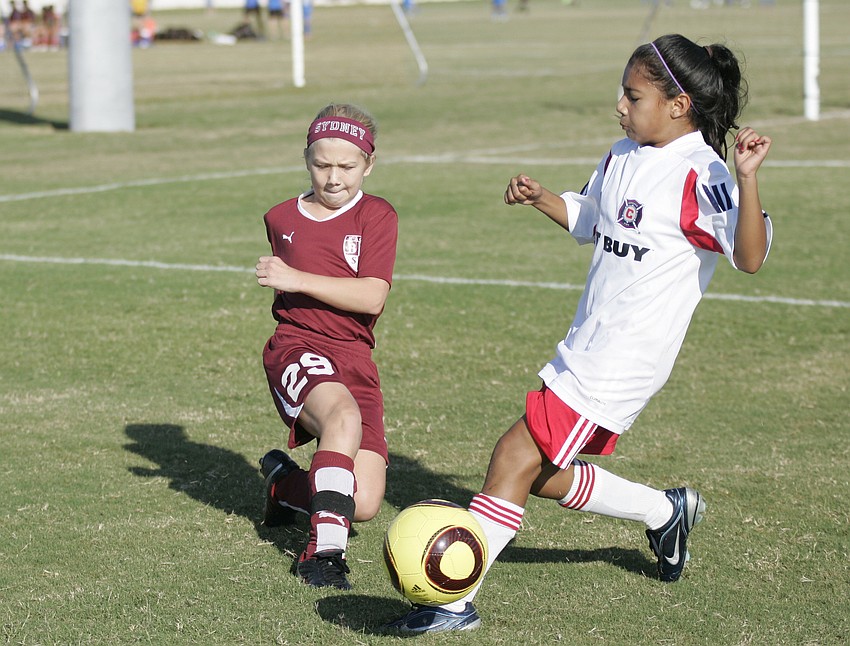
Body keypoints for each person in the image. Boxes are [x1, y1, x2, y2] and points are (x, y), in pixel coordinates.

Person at [384, 33, 773, 634]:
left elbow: (748, 256)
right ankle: (662, 510)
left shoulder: (704, 173)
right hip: (584, 346)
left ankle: (452, 598)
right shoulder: (622, 153)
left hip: (625, 361)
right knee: (537, 472)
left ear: (678, 105)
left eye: (632, 95)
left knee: (514, 454)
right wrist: (542, 197)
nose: (620, 105)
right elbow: (593, 220)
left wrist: (747, 179)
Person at [256, 104, 399, 590]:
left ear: (369, 164)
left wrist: (293, 276)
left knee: (362, 502)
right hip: (297, 345)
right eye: (322, 164)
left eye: (347, 166)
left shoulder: (377, 215)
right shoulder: (280, 218)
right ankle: (323, 554)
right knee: (341, 418)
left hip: (356, 357)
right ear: (306, 159)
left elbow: (372, 294)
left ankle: (282, 485)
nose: (334, 177)